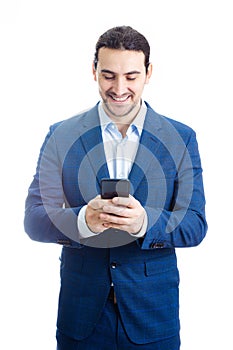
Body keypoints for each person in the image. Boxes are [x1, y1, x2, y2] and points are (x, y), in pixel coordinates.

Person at [24, 26, 207, 350]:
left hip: (153, 315)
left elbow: (194, 223)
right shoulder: (61, 135)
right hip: (81, 317)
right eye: (108, 75)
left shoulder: (181, 137)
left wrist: (145, 223)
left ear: (148, 73)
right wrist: (82, 221)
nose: (119, 88)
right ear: (93, 70)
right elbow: (35, 219)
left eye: (131, 76)